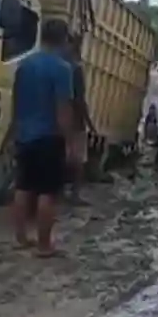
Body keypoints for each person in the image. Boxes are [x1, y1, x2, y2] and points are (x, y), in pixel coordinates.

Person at [10, 19, 74, 258]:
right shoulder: (62, 69)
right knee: (48, 192)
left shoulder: (24, 65)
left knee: (23, 187)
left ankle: (20, 238)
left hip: (25, 135)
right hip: (48, 137)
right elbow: (62, 108)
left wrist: (13, 131)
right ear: (63, 39)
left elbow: (15, 102)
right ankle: (44, 245)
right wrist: (68, 142)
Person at [63, 35, 92, 205]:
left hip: (56, 119)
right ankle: (75, 195)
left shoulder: (58, 64)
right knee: (78, 160)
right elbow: (80, 99)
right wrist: (89, 122)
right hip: (74, 120)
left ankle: (58, 192)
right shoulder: (76, 69)